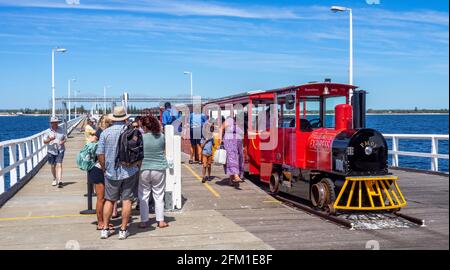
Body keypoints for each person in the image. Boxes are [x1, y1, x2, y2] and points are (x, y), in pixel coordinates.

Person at [96, 106, 140, 240]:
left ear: (113, 118)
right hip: (129, 171)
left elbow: (100, 154)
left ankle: (104, 229)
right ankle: (123, 230)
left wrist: (104, 168)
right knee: (127, 200)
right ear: (125, 117)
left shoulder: (105, 133)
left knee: (109, 200)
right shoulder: (132, 131)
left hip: (111, 172)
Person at [138, 115, 169, 229]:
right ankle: (160, 221)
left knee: (143, 195)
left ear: (145, 127)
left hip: (144, 168)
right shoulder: (162, 136)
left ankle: (144, 221)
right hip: (159, 167)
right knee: (159, 194)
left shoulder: (141, 137)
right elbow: (163, 150)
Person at [87, 115, 113, 230]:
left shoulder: (100, 133)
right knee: (101, 198)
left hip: (99, 168)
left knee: (106, 198)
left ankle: (104, 221)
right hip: (98, 168)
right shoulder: (100, 134)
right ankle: (100, 222)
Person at [219, 116, 244, 187]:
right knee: (232, 158)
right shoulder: (229, 120)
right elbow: (221, 129)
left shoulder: (236, 125)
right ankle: (236, 176)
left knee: (233, 159)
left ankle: (231, 180)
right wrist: (220, 140)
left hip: (236, 144)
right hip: (229, 142)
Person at [43, 117, 66, 188]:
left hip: (60, 150)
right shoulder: (47, 131)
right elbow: (44, 141)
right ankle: (54, 178)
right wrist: (50, 139)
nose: (56, 123)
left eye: (56, 122)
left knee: (59, 164)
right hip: (51, 151)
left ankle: (59, 181)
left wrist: (63, 141)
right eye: (54, 122)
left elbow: (65, 138)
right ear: (51, 123)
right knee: (53, 166)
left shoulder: (61, 130)